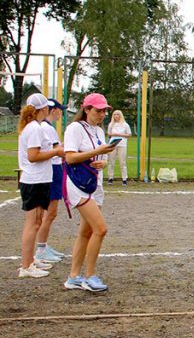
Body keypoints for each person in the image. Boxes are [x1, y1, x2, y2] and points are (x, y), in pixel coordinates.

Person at [63, 93, 119, 292]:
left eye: (104, 111)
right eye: (98, 110)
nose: (102, 114)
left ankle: (73, 277)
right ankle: (89, 276)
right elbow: (70, 158)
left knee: (85, 232)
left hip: (94, 183)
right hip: (77, 184)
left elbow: (99, 156)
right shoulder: (74, 129)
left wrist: (102, 161)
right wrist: (97, 153)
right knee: (100, 229)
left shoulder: (99, 131)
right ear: (86, 109)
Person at [16, 94, 63, 279]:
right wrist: (56, 152)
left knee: (36, 222)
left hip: (38, 179)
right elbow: (33, 156)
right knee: (32, 223)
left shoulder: (33, 126)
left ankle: (30, 261)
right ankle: (26, 266)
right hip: (34, 180)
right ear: (44, 109)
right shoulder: (35, 128)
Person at [34, 99, 68, 267]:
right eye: (60, 109)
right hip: (53, 169)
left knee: (48, 212)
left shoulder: (45, 127)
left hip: (52, 168)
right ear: (53, 110)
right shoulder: (47, 128)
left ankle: (43, 245)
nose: (61, 113)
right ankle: (41, 248)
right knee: (50, 212)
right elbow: (57, 151)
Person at [106, 109, 131, 185]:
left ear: (120, 115)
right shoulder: (111, 124)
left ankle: (124, 178)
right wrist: (113, 135)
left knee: (122, 162)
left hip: (122, 144)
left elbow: (129, 134)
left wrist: (119, 135)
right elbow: (109, 134)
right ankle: (110, 178)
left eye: (118, 114)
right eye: (115, 114)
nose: (116, 116)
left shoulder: (125, 125)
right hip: (113, 144)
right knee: (111, 161)